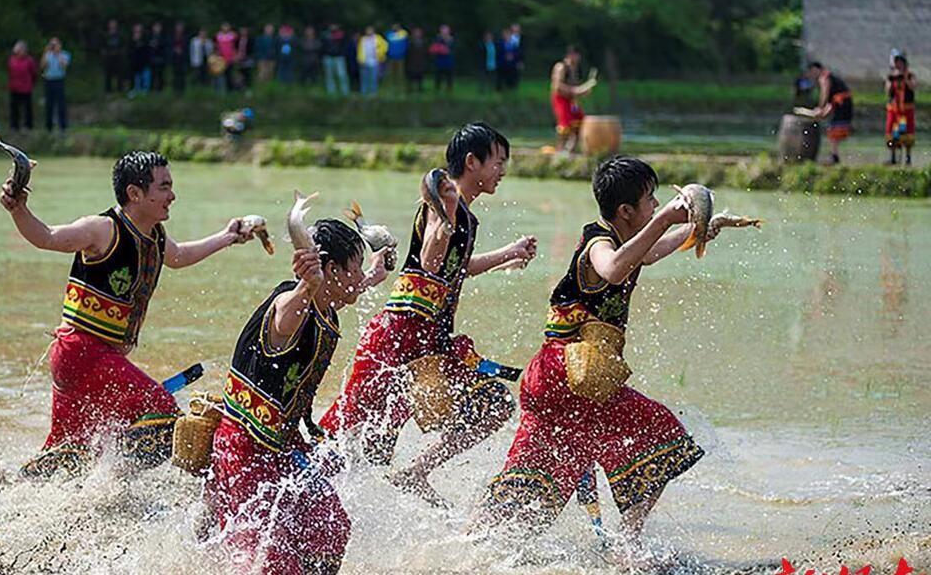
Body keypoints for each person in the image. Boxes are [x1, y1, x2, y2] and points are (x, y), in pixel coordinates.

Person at [472, 157, 706, 556]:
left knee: (536, 492)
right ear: (626, 211)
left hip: (564, 382)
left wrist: (702, 228)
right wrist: (668, 218)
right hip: (565, 376)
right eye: (651, 199)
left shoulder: (627, 241)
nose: (655, 205)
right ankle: (628, 547)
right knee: (663, 435)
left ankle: (466, 544)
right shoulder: (600, 242)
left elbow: (645, 253)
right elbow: (614, 268)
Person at [2, 151, 263, 478]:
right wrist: (19, 208)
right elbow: (48, 237)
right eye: (164, 187)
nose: (172, 196)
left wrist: (228, 237)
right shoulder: (101, 229)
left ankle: (13, 490)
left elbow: (180, 257)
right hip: (83, 352)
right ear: (135, 194)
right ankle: (113, 485)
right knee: (164, 415)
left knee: (70, 451)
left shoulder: (155, 236)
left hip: (88, 358)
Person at [321, 122, 537, 507]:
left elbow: (459, 265)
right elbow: (430, 260)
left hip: (433, 341)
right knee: (350, 428)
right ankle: (294, 475)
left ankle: (415, 472)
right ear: (472, 162)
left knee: (494, 405)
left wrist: (510, 252)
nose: (502, 171)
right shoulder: (440, 202)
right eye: (498, 162)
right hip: (398, 334)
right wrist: (447, 213)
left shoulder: (465, 217)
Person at [206, 219, 390, 573]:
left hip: (287, 448)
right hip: (245, 450)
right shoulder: (291, 306)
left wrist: (372, 275)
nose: (357, 277)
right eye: (353, 268)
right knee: (270, 563)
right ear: (330, 269)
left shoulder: (326, 302)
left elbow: (346, 291)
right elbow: (286, 314)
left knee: (332, 530)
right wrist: (308, 283)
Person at [551, 45, 597, 154]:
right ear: (570, 55)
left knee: (580, 123)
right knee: (565, 125)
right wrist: (579, 90)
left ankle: (571, 150)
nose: (577, 59)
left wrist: (584, 91)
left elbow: (575, 89)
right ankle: (560, 150)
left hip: (571, 101)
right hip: (560, 99)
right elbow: (557, 86)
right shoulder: (561, 67)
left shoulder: (575, 69)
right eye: (575, 56)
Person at [804, 61, 853, 165]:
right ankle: (834, 155)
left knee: (834, 129)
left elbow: (825, 94)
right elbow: (831, 100)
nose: (812, 74)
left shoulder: (824, 78)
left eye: (812, 71)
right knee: (832, 129)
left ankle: (834, 157)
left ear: (816, 69)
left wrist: (820, 108)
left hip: (842, 104)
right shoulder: (829, 76)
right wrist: (823, 111)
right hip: (842, 104)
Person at [885, 54, 917, 166]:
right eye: (896, 62)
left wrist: (905, 77)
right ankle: (893, 158)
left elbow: (913, 87)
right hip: (894, 110)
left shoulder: (910, 75)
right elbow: (887, 90)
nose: (898, 65)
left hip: (906, 110)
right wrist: (891, 78)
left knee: (907, 134)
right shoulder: (891, 76)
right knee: (892, 134)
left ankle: (908, 158)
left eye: (900, 62)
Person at [41, 37, 71, 133]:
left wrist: (58, 54)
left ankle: (63, 126)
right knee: (49, 104)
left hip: (59, 80)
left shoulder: (64, 55)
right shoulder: (47, 55)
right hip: (49, 80)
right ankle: (49, 126)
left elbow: (64, 65)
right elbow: (42, 66)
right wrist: (46, 52)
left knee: (61, 104)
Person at [8, 40, 37, 131]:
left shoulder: (29, 60)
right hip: (14, 87)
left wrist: (31, 83)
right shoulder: (12, 59)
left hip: (26, 87)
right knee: (14, 108)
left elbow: (33, 73)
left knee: (27, 108)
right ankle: (14, 125)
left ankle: (28, 125)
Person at [357, 26, 388, 96]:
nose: (369, 32)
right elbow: (359, 50)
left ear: (373, 31)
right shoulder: (363, 39)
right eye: (367, 30)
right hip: (364, 61)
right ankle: (364, 93)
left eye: (370, 30)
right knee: (364, 78)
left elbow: (385, 46)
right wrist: (359, 59)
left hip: (374, 62)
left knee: (373, 79)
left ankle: (373, 93)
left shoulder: (378, 38)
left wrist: (380, 55)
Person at [321, 23, 349, 96]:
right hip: (328, 57)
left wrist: (342, 53)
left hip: (339, 57)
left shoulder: (341, 35)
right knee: (329, 76)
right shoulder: (325, 35)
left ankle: (345, 92)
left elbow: (345, 45)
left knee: (342, 75)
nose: (333, 27)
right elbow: (323, 46)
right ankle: (331, 92)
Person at [102, 19, 126, 94]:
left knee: (120, 74)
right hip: (108, 58)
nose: (113, 25)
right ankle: (108, 90)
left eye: (114, 24)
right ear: (109, 25)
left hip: (118, 57)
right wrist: (105, 53)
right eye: (111, 24)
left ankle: (120, 89)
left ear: (116, 25)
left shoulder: (120, 35)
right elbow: (102, 46)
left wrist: (120, 53)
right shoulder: (106, 35)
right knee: (108, 74)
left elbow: (123, 45)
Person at [429, 25, 455, 93]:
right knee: (438, 76)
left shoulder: (452, 39)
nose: (444, 32)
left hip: (449, 61)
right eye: (443, 31)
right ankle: (437, 89)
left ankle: (449, 89)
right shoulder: (437, 39)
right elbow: (432, 49)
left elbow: (454, 50)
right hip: (439, 61)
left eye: (446, 30)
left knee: (449, 76)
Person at [128, 24, 150, 98]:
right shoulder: (131, 40)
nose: (137, 31)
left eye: (139, 29)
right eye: (136, 29)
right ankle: (135, 90)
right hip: (134, 63)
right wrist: (134, 41)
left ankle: (144, 91)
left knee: (145, 77)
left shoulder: (145, 39)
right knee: (135, 78)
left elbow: (147, 50)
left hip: (144, 62)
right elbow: (130, 51)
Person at [214, 23, 238, 90]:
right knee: (221, 74)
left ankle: (230, 89)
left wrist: (235, 55)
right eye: (224, 27)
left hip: (230, 59)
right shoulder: (218, 35)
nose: (225, 28)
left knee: (229, 74)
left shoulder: (232, 35)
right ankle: (221, 89)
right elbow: (216, 46)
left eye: (227, 27)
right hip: (221, 59)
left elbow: (235, 45)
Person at [385, 23, 409, 91]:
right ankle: (390, 87)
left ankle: (400, 87)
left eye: (397, 27)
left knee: (400, 74)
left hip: (400, 57)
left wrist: (403, 53)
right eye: (394, 26)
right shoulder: (389, 35)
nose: (395, 28)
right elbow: (386, 45)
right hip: (391, 57)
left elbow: (406, 45)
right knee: (390, 73)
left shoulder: (403, 34)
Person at [405, 27, 426, 94]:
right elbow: (408, 52)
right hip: (412, 62)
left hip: (420, 62)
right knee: (411, 75)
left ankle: (420, 88)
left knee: (420, 75)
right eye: (416, 33)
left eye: (418, 33)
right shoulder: (410, 42)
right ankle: (410, 88)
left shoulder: (423, 42)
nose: (417, 34)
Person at [148, 21, 168, 92]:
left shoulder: (163, 36)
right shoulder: (150, 36)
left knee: (160, 75)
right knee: (152, 75)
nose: (157, 28)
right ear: (153, 28)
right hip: (152, 58)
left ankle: (160, 89)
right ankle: (151, 89)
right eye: (155, 27)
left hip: (160, 58)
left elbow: (165, 47)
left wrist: (157, 45)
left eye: (158, 27)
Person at [170, 22, 188, 94]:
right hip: (175, 58)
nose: (179, 29)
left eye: (180, 27)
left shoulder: (185, 37)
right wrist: (175, 50)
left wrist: (182, 51)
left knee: (182, 75)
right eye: (178, 27)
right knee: (175, 75)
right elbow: (170, 46)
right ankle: (175, 89)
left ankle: (182, 90)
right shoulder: (172, 36)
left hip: (183, 58)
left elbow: (187, 47)